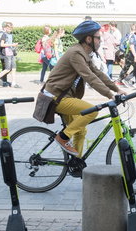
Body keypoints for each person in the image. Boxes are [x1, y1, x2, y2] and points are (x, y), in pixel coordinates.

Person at [43, 20, 126, 156]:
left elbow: (97, 73)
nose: (101, 41)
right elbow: (90, 78)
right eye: (98, 38)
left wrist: (116, 89)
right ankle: (63, 138)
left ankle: (76, 161)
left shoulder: (83, 53)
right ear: (89, 39)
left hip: (64, 96)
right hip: (55, 96)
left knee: (81, 130)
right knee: (91, 112)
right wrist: (110, 95)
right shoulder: (76, 53)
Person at [0, 22, 20, 88]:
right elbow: (2, 44)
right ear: (5, 28)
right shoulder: (4, 35)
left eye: (11, 29)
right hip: (6, 53)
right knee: (7, 69)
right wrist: (12, 44)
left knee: (14, 68)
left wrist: (13, 45)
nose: (10, 30)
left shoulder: (10, 35)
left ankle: (13, 83)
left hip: (11, 53)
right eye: (8, 28)